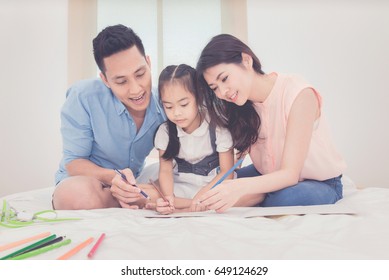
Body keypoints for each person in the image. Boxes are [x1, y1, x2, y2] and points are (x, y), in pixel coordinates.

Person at [196, 34, 347, 213]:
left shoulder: (299, 94)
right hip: (267, 174)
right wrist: (205, 194)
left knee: (286, 198)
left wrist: (242, 189)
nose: (222, 92)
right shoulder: (240, 106)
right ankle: (257, 194)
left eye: (224, 79)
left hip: (320, 183)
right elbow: (232, 165)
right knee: (216, 189)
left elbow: (290, 174)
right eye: (214, 88)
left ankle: (259, 195)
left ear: (246, 60)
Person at [52, 24, 166, 210]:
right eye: (121, 81)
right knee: (74, 196)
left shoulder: (165, 103)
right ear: (105, 79)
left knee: (177, 179)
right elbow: (73, 163)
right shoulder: (83, 96)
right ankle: (127, 200)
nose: (136, 89)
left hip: (132, 182)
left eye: (140, 74)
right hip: (87, 181)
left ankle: (125, 198)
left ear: (148, 63)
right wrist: (113, 177)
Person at [151, 64, 235, 214]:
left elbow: (226, 172)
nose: (176, 113)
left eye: (184, 104)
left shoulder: (218, 127)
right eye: (168, 107)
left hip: (213, 187)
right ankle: (189, 205)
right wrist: (169, 197)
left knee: (254, 195)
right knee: (143, 193)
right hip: (180, 187)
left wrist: (201, 197)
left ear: (199, 97)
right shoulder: (165, 132)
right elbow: (165, 171)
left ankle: (189, 205)